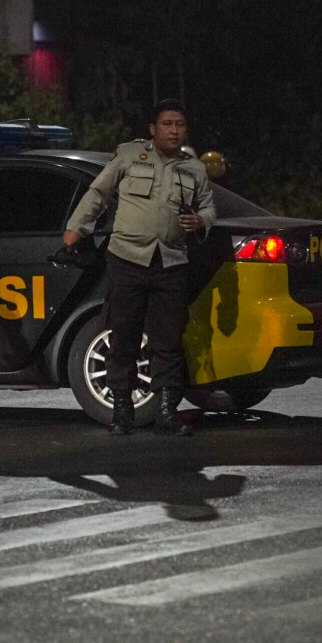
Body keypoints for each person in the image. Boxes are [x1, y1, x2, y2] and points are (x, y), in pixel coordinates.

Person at [61, 98, 217, 436]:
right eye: (167, 124)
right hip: (127, 259)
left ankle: (166, 410)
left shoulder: (193, 169)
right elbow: (98, 193)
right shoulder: (130, 156)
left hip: (171, 262)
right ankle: (122, 411)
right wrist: (77, 228)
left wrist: (200, 220)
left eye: (180, 125)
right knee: (124, 335)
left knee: (168, 340)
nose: (174, 131)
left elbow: (208, 207)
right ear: (152, 129)